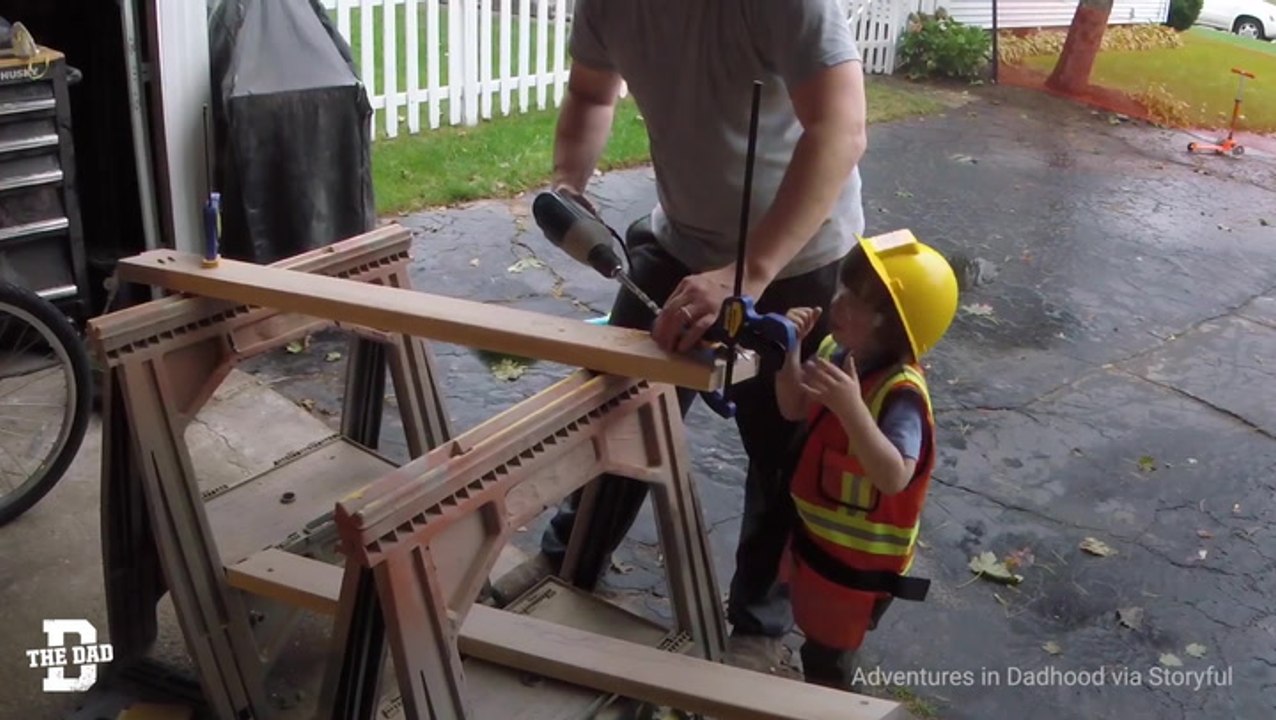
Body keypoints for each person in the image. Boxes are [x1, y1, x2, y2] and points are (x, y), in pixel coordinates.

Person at [503, 0, 870, 671]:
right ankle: (570, 561)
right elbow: (591, 93)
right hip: (680, 240)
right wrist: (568, 181)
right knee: (617, 409)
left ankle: (758, 625)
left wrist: (747, 273)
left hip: (799, 255)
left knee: (782, 450)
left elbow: (840, 128)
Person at [774, 232, 958, 690]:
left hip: (857, 573)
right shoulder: (835, 351)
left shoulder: (901, 395)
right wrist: (789, 352)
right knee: (815, 634)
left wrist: (851, 408)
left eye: (857, 302)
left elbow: (894, 476)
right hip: (817, 548)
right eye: (843, 288)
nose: (838, 303)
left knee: (829, 657)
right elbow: (793, 407)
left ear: (895, 327)